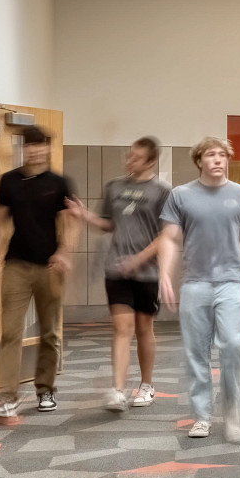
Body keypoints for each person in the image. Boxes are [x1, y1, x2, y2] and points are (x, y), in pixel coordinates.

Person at [160, 137, 240, 442]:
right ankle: (202, 416)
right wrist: (165, 276)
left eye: (223, 155)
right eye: (211, 155)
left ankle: (232, 412)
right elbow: (169, 238)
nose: (218, 160)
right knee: (197, 352)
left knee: (233, 344)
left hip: (231, 283)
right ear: (199, 161)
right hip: (195, 283)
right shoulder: (181, 196)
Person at [0, 126, 79, 421]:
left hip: (50, 267)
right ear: (22, 148)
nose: (37, 151)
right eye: (31, 146)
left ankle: (45, 389)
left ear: (48, 149)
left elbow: (71, 223)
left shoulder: (60, 183)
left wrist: (64, 252)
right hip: (16, 265)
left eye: (42, 146)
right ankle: (7, 396)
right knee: (10, 332)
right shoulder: (8, 182)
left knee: (50, 332)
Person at [78, 136, 168, 413]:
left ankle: (146, 384)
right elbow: (109, 224)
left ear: (152, 161)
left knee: (143, 329)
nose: (130, 161)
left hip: (147, 272)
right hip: (116, 270)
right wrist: (83, 215)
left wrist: (139, 259)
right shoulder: (115, 186)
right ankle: (117, 390)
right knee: (121, 328)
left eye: (136, 157)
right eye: (128, 155)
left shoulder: (162, 191)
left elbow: (167, 235)